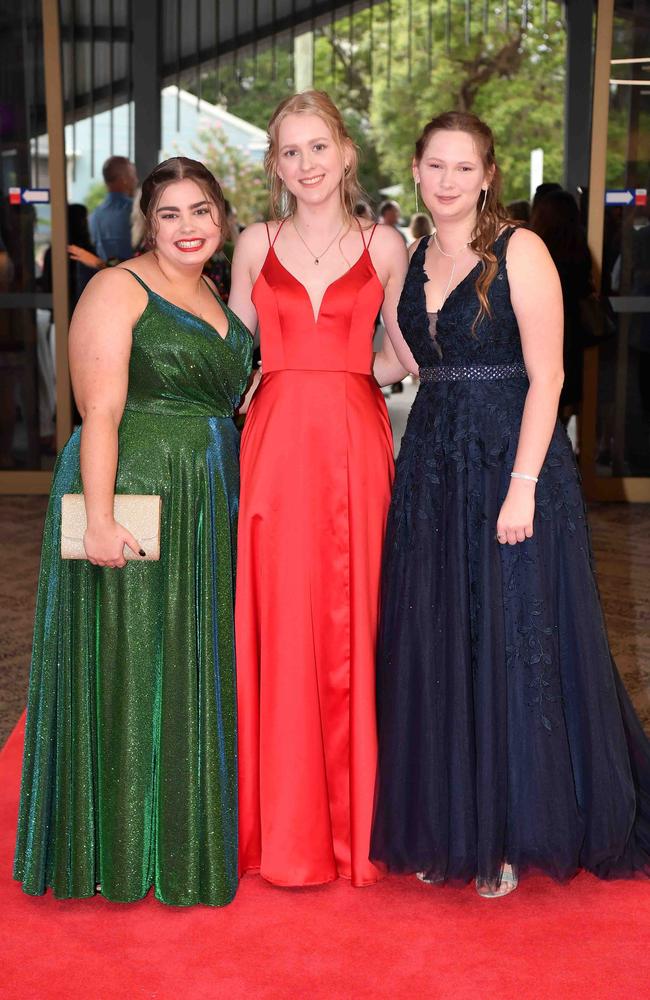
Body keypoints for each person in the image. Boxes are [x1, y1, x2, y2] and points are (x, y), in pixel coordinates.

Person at [370, 112, 650, 898]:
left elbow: (550, 377)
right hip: (431, 466)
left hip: (511, 465)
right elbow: (394, 361)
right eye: (435, 166)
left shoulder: (520, 251)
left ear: (488, 174)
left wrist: (523, 484)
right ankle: (452, 820)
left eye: (465, 167)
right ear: (417, 170)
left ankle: (508, 832)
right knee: (440, 641)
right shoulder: (410, 259)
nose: (449, 180)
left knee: (508, 640)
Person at [14, 156, 253, 906]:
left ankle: (180, 838)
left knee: (186, 655)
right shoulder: (118, 286)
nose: (189, 227)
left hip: (207, 494)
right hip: (137, 489)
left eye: (201, 211)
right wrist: (103, 518)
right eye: (171, 214)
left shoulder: (214, 290)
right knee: (130, 655)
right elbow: (101, 414)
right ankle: (118, 851)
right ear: (146, 221)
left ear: (221, 216)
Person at [229, 90, 412, 888]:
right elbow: (231, 356)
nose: (304, 164)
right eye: (289, 152)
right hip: (272, 445)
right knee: (280, 614)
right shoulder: (251, 242)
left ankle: (356, 820)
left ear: (345, 154)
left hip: (353, 440)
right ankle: (284, 824)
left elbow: (409, 345)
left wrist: (349, 374)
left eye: (317, 148)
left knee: (358, 611)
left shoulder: (385, 245)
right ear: (275, 165)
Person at [529, 189, 595, 421]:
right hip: (571, 333)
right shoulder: (580, 250)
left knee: (542, 394)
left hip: (542, 332)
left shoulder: (536, 251)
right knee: (562, 395)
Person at [89, 155, 138, 264]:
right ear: (124, 179)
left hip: (103, 276)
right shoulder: (136, 211)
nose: (136, 180)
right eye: (133, 175)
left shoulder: (94, 215)